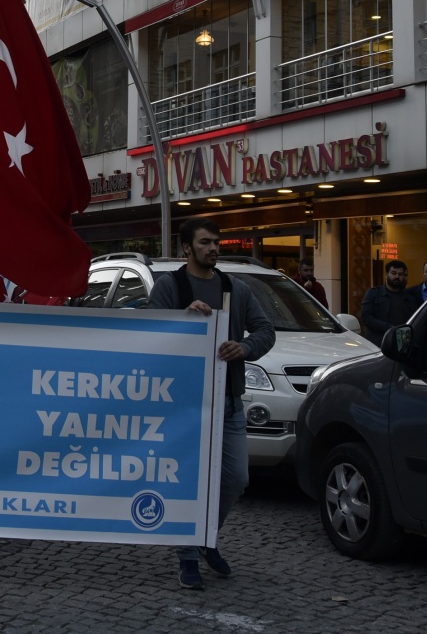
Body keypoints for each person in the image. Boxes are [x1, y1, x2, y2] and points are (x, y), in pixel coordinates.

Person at [146, 218, 275, 590]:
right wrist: (182, 320)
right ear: (187, 248)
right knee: (190, 480)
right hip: (183, 404)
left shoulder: (236, 288)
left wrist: (244, 347)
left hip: (228, 402)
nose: (213, 248)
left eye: (216, 242)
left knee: (236, 478)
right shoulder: (171, 286)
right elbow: (151, 332)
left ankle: (204, 536)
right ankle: (188, 555)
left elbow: (265, 331)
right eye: (205, 242)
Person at [359, 260, 418, 345]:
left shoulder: (409, 298)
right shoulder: (374, 293)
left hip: (400, 344)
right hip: (377, 343)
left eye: (400, 274)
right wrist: (390, 328)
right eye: (393, 273)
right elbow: (366, 318)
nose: (397, 276)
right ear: (386, 274)